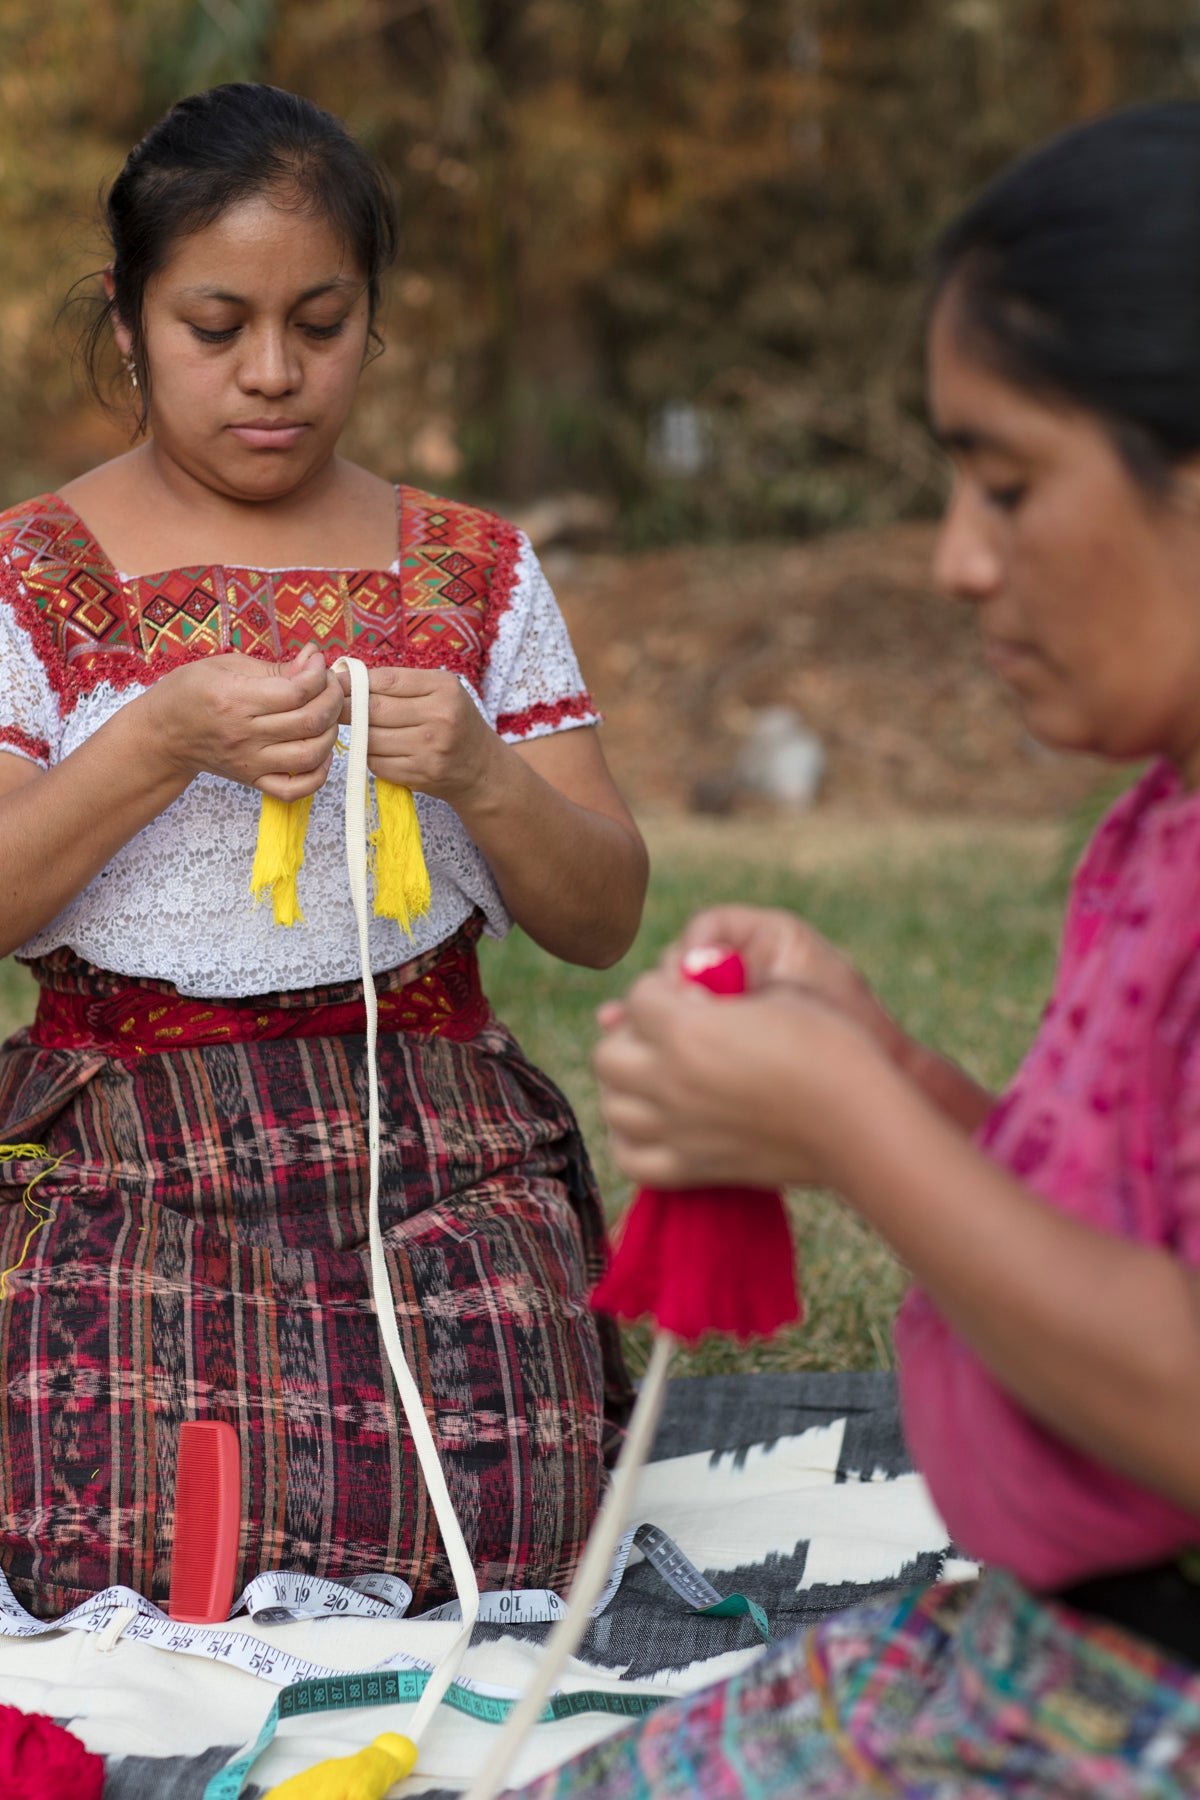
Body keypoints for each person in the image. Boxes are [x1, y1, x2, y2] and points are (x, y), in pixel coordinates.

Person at [512, 101, 1200, 1798]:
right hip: (1042, 1634)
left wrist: (854, 1126)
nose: (957, 561)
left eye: (1008, 485)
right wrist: (883, 1066)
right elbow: (1109, 1240)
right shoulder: (1158, 828)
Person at [0, 82, 646, 1622]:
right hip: (129, 1141)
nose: (274, 373)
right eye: (215, 326)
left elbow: (603, 915)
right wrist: (154, 742)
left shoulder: (473, 572)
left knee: (523, 1523)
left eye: (321, 322)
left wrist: (481, 771)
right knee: (100, 1530)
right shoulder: (36, 573)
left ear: (374, 319)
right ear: (130, 319)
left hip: (428, 1133)